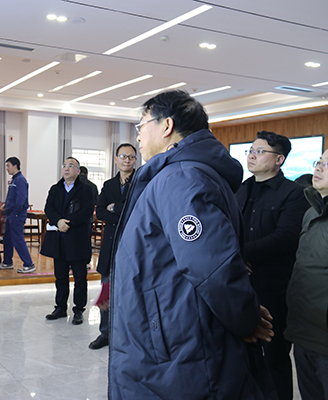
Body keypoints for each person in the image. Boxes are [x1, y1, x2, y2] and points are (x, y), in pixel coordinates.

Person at [109, 90, 274, 399]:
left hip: (179, 342)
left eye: (141, 125)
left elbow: (213, 267)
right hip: (176, 329)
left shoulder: (181, 177)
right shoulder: (182, 174)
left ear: (166, 125)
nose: (138, 137)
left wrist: (245, 317)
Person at [236, 131, 309, 400]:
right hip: (240, 284)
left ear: (279, 160)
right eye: (250, 151)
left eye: (260, 151)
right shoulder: (240, 189)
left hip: (274, 287)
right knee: (241, 354)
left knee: (274, 357)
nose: (252, 156)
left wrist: (240, 254)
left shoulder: (294, 194)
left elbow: (284, 238)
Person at [285, 151, 328, 400]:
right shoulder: (311, 212)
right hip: (303, 330)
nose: (319, 168)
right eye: (319, 162)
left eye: (327, 164)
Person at [88, 143, 137, 350]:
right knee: (106, 291)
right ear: (116, 159)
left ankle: (129, 335)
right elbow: (100, 212)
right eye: (123, 156)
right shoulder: (108, 185)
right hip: (110, 245)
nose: (127, 160)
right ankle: (105, 333)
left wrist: (115, 208)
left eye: (131, 157)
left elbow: (139, 210)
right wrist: (123, 213)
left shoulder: (142, 182)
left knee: (132, 292)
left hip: (133, 244)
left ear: (135, 160)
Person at [40, 157, 95, 325]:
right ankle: (60, 308)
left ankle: (78, 310)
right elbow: (48, 208)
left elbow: (87, 211)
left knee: (80, 278)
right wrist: (58, 222)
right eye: (64, 165)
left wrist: (68, 223)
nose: (66, 168)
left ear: (78, 171)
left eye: (71, 166)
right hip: (59, 239)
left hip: (77, 239)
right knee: (60, 277)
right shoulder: (55, 189)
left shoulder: (86, 189)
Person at [0, 156, 36, 273]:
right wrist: (6, 205)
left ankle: (29, 264)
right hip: (11, 214)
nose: (7, 168)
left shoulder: (20, 180)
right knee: (7, 239)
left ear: (15, 166)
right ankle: (7, 262)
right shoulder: (14, 180)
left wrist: (16, 213)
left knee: (18, 240)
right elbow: (13, 198)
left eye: (8, 166)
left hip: (16, 215)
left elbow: (21, 199)